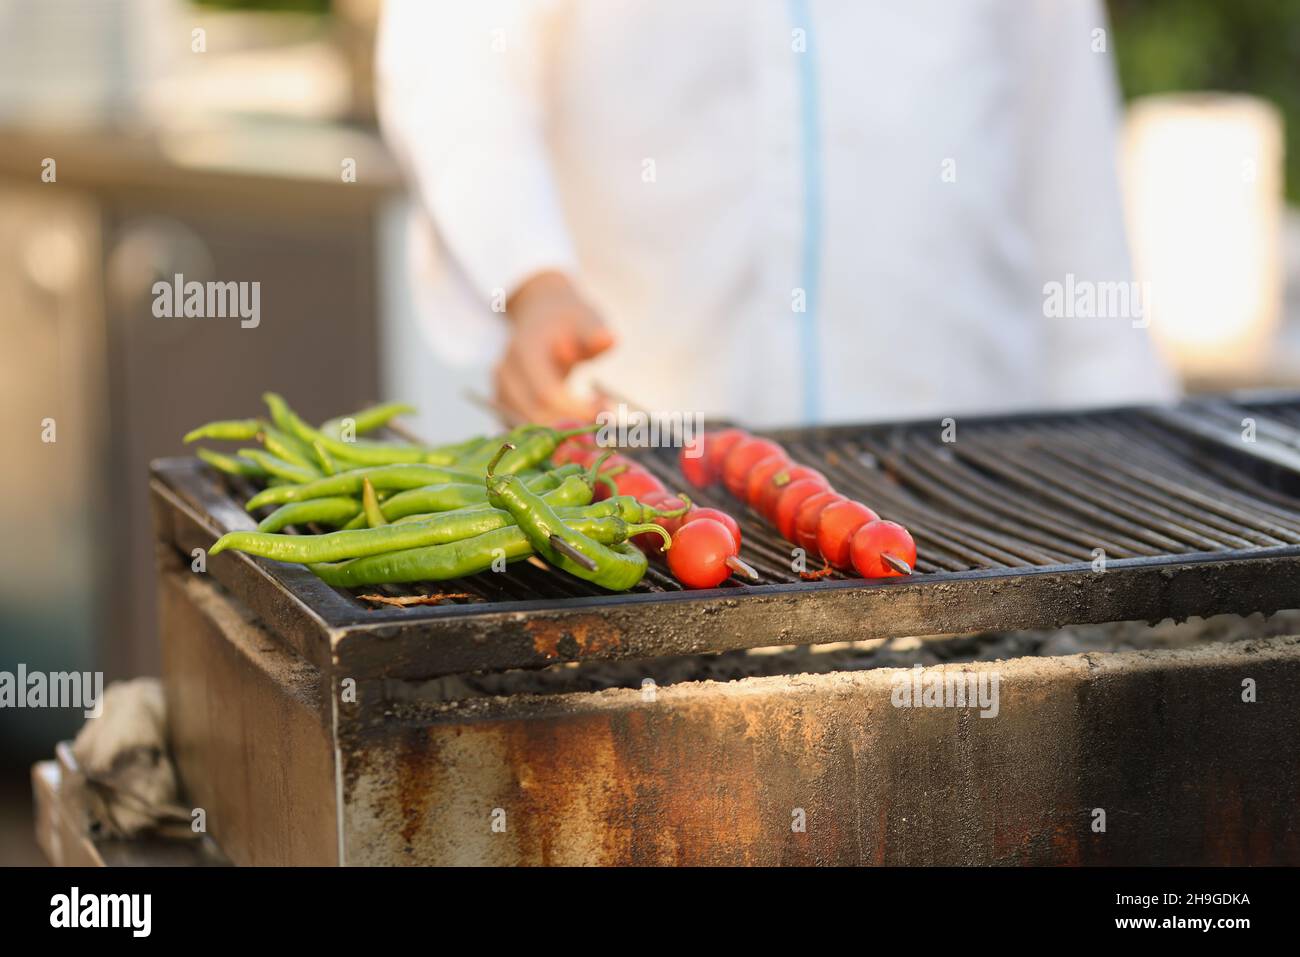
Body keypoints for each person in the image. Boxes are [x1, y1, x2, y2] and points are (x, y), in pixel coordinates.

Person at [377, 0, 1175, 427]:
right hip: (643, 477)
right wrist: (529, 277)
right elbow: (453, 57)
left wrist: (1126, 440)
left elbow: (1071, 177)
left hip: (972, 474)